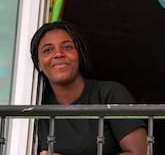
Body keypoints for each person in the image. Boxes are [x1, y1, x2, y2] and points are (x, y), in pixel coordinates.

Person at [30, 21, 148, 155]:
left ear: (79, 55)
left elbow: (140, 152)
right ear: (38, 64)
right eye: (48, 50)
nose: (58, 54)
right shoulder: (35, 106)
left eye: (67, 47)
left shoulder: (109, 94)